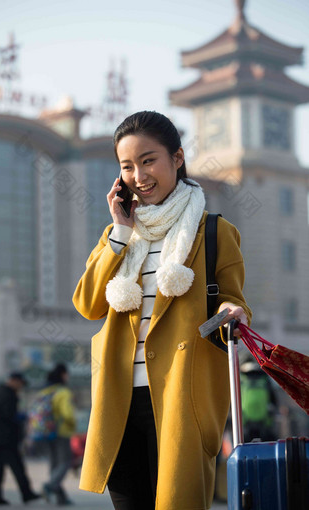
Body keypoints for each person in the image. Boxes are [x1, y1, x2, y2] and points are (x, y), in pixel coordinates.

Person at [72, 110, 252, 510]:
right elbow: (88, 304)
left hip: (180, 397)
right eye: (128, 166)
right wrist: (119, 232)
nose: (139, 175)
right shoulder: (117, 235)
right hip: (119, 402)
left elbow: (235, 301)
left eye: (149, 160)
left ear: (178, 158)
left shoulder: (214, 232)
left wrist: (230, 311)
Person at [0, 372, 41, 506]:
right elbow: (9, 415)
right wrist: (22, 417)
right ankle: (26, 493)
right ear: (13, 381)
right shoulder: (8, 395)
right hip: (6, 438)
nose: (20, 387)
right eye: (20, 384)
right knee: (17, 466)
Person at [42, 363, 76, 506]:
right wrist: (74, 425)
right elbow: (67, 413)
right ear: (62, 375)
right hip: (61, 432)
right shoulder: (63, 392)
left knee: (54, 464)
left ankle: (60, 497)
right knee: (65, 462)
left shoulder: (45, 392)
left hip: (45, 432)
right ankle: (50, 486)